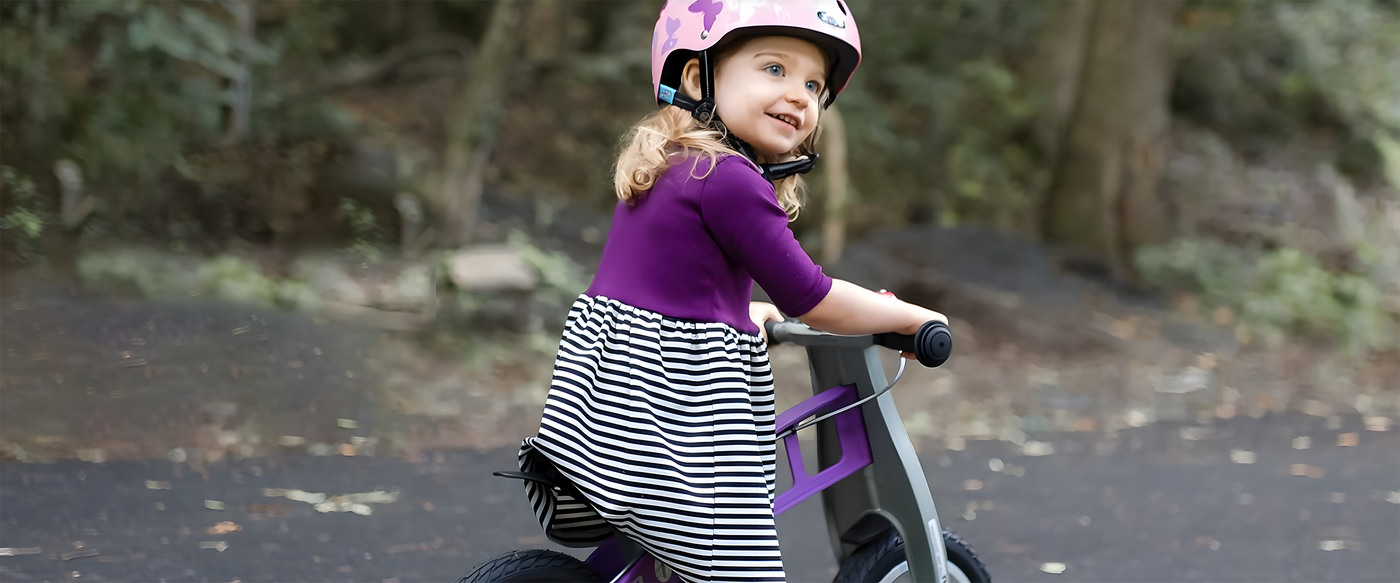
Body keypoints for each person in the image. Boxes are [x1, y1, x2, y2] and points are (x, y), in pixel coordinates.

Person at [516, 2, 947, 581]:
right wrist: (912, 319)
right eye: (775, 69)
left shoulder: (674, 163)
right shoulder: (730, 180)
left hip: (599, 410)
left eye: (814, 84)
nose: (799, 94)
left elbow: (668, 281)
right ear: (698, 77)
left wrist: (739, 312)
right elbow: (812, 297)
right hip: (667, 426)